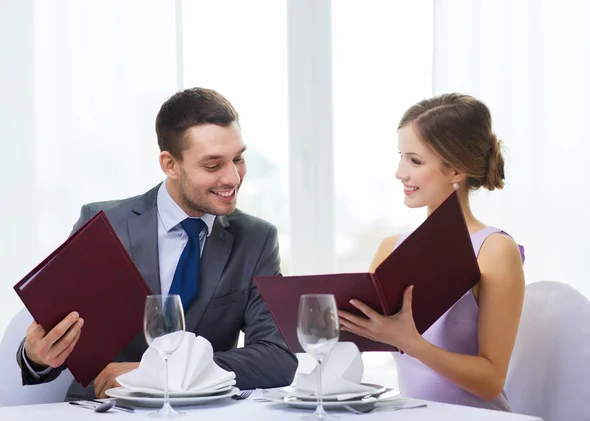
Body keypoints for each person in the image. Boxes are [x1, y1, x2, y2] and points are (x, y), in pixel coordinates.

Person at [16, 87, 298, 399]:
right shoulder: (104, 224)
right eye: (213, 165)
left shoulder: (257, 239)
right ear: (170, 164)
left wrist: (158, 373)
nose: (233, 178)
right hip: (107, 412)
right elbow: (57, 343)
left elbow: (277, 359)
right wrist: (37, 356)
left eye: (238, 158)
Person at [338, 93, 525, 411]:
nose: (400, 172)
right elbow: (357, 337)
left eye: (415, 160)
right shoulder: (390, 248)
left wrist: (410, 343)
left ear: (456, 171)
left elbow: (491, 380)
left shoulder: (493, 250)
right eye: (401, 156)